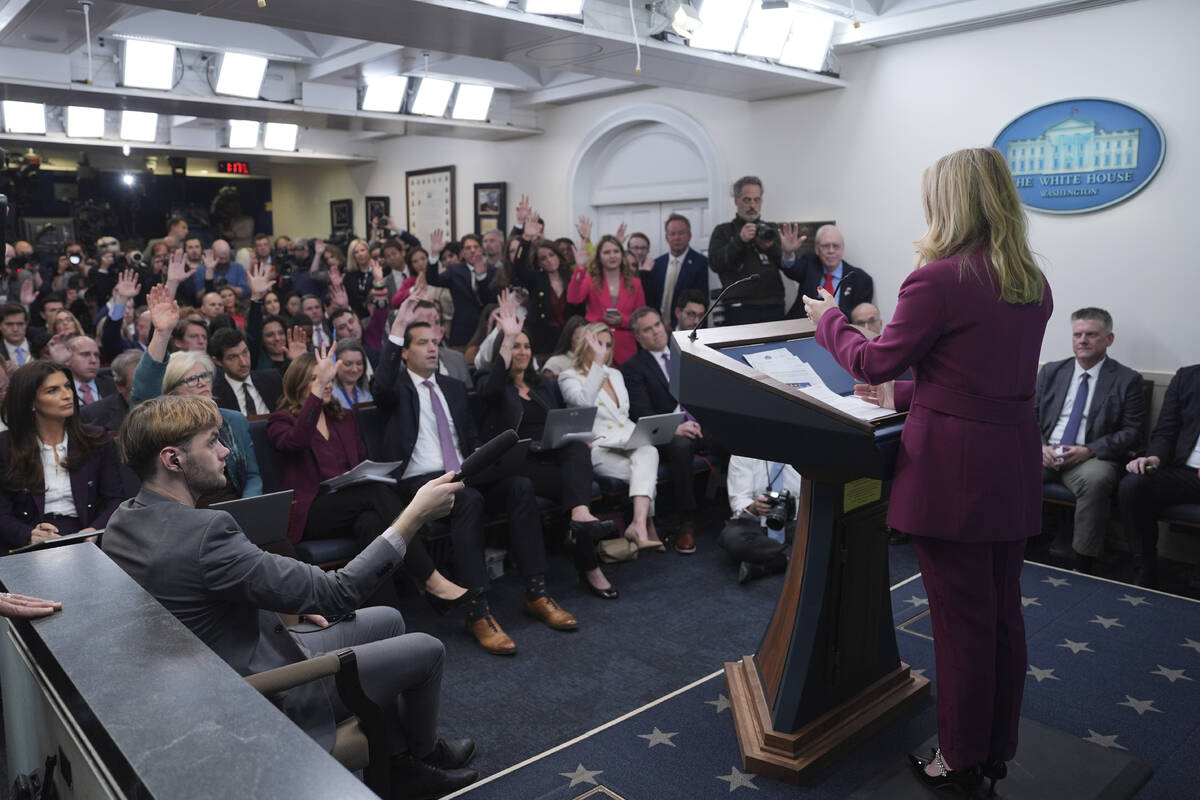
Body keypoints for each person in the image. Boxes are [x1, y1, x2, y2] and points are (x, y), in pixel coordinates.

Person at [803, 147, 1053, 793]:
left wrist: (826, 319)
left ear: (950, 202)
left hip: (955, 478)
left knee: (959, 623)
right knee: (1001, 616)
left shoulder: (939, 279)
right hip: (1012, 466)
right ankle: (995, 748)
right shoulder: (1030, 279)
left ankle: (958, 758)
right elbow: (987, 381)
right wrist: (914, 395)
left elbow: (875, 360)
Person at [101, 395, 479, 796]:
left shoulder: (122, 521)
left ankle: (400, 761)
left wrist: (283, 603)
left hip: (207, 678)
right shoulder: (206, 533)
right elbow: (340, 591)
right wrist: (415, 514)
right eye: (212, 441)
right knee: (427, 647)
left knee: (388, 618)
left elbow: (193, 592)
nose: (225, 450)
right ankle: (420, 755)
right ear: (173, 460)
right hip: (260, 690)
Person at [372, 317, 578, 655]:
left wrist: (488, 457)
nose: (432, 348)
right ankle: (476, 609)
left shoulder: (453, 388)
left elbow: (470, 436)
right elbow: (380, 387)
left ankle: (536, 590)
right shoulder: (396, 389)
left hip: (462, 473)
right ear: (405, 353)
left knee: (519, 485)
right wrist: (394, 332)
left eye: (434, 342)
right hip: (419, 484)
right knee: (468, 500)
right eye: (422, 343)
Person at [268, 350, 472, 609]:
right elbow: (296, 441)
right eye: (318, 378)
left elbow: (361, 461)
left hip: (354, 504)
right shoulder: (280, 420)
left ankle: (386, 615)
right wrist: (317, 393)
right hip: (314, 513)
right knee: (374, 495)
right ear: (298, 383)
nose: (327, 383)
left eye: (329, 378)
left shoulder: (343, 417)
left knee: (371, 523)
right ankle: (431, 578)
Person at [479, 306, 619, 599]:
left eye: (526, 346)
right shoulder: (491, 385)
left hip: (549, 453)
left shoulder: (543, 385)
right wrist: (508, 336)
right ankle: (590, 567)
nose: (522, 351)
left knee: (579, 448)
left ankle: (580, 517)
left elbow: (567, 418)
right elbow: (491, 389)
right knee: (574, 486)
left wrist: (576, 434)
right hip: (517, 461)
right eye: (515, 346)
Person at [1036, 308, 1144, 573]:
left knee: (1096, 481)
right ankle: (1010, 542)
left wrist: (1089, 450)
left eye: (1092, 335)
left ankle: (1083, 562)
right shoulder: (1051, 372)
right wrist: (1039, 446)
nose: (1083, 340)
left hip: (1093, 457)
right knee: (1009, 469)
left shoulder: (1127, 380)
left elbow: (1133, 431)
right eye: (1078, 334)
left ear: (1109, 339)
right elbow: (1030, 415)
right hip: (1048, 451)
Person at [132, 285, 262, 504]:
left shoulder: (233, 420)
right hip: (188, 515)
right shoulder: (164, 429)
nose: (203, 384)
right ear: (172, 391)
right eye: (192, 379)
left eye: (205, 377)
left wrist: (246, 508)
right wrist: (162, 334)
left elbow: (251, 476)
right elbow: (143, 395)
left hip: (238, 511)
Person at [559, 323, 662, 551]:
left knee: (649, 451)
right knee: (645, 471)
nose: (603, 350)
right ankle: (646, 523)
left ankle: (638, 524)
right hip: (599, 448)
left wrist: (640, 433)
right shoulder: (568, 376)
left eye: (607, 345)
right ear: (585, 344)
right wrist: (596, 364)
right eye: (598, 344)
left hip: (627, 440)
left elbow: (623, 416)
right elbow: (584, 403)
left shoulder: (614, 373)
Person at [0, 361, 123, 548]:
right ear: (31, 402)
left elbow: (116, 499)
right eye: (52, 390)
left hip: (87, 537)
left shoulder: (97, 440)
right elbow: (2, 513)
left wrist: (95, 529)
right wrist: (29, 535)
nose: (67, 395)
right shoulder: (5, 447)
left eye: (67, 386)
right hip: (28, 543)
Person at [622, 307, 707, 554]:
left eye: (657, 324)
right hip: (670, 433)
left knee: (735, 431)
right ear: (638, 337)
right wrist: (676, 428)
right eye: (647, 330)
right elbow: (641, 413)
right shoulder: (634, 367)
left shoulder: (685, 352)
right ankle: (686, 522)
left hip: (701, 423)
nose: (656, 332)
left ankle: (745, 508)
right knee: (680, 447)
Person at [1118, 364, 1200, 589]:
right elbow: (1166, 430)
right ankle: (1144, 568)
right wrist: (1154, 458)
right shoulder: (1187, 377)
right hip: (1186, 471)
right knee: (1134, 484)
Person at [708, 176, 807, 325]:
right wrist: (740, 240)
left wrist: (786, 252)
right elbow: (715, 264)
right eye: (747, 200)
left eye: (757, 200)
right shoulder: (724, 231)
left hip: (774, 306)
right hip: (739, 308)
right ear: (736, 201)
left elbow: (793, 272)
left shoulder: (772, 229)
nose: (752, 205)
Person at [720, 456, 802, 583]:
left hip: (794, 520)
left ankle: (772, 564)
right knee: (732, 537)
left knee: (821, 536)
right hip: (756, 521)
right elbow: (739, 499)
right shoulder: (742, 453)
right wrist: (754, 507)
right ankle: (793, 557)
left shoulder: (806, 455)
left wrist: (790, 508)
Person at [566, 235, 646, 366]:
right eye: (607, 252)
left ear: (622, 254)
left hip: (626, 349)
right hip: (596, 344)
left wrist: (623, 320)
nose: (612, 256)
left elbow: (641, 318)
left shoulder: (635, 284)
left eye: (616, 251)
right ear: (599, 256)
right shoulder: (590, 280)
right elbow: (573, 299)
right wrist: (580, 268)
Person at [783, 224, 874, 320]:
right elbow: (792, 270)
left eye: (836, 246)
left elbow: (860, 317)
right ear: (817, 249)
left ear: (843, 248)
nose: (831, 251)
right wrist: (788, 253)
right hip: (802, 327)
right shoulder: (809, 264)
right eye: (825, 246)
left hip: (840, 331)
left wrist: (830, 311)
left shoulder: (860, 279)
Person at [424, 232, 497, 348]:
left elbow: (490, 300)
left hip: (486, 329)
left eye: (475, 247)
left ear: (481, 249)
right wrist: (434, 255)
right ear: (462, 253)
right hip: (462, 331)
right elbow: (433, 280)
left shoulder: (493, 271)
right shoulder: (454, 270)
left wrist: (481, 278)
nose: (472, 250)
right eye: (468, 248)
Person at [644, 214, 710, 327]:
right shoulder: (657, 264)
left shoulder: (700, 263)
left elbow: (700, 302)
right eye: (672, 234)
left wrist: (674, 325)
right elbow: (652, 300)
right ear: (666, 237)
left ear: (689, 236)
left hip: (685, 328)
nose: (677, 237)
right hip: (658, 328)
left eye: (681, 233)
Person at [208, 328, 284, 417]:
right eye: (233, 357)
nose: (243, 363)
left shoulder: (273, 379)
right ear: (217, 361)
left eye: (245, 352)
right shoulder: (214, 396)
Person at [80, 349, 141, 432]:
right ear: (119, 386)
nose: (149, 389)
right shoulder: (92, 417)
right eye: (139, 384)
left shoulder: (163, 406)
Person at [66, 336, 114, 405]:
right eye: (85, 354)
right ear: (68, 359)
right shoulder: (60, 388)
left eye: (96, 355)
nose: (93, 360)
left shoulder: (112, 385)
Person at [332, 338, 374, 409]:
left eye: (359, 363)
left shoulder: (366, 396)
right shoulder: (329, 394)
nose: (354, 369)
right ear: (335, 363)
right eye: (348, 364)